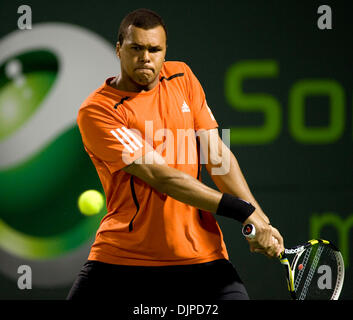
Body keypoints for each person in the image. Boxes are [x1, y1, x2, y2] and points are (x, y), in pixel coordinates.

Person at [67, 8, 284, 301]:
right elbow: (161, 177)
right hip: (122, 260)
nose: (146, 57)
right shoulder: (98, 111)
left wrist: (259, 216)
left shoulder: (182, 77)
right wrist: (242, 211)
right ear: (119, 50)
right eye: (136, 48)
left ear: (164, 52)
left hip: (201, 257)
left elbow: (216, 156)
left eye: (154, 49)